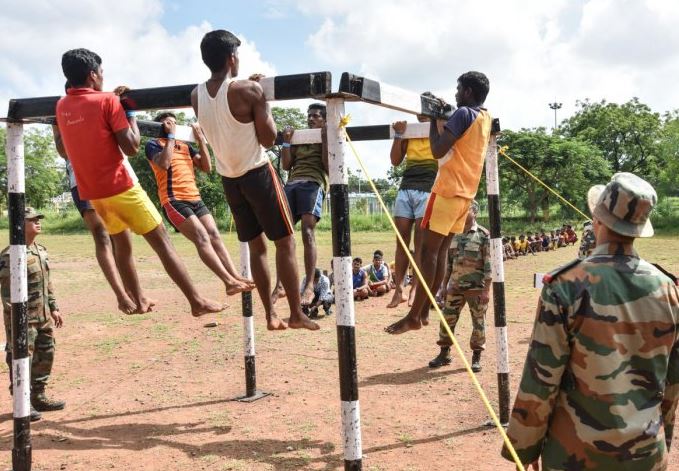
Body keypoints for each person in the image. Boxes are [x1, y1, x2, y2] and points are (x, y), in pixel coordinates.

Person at [501, 173, 679, 470]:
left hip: (574, 454)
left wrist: (525, 449)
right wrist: (662, 439)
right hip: (645, 453)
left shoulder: (565, 285)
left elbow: (542, 378)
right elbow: (672, 384)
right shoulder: (668, 289)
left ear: (597, 220)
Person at [55, 48, 223, 317]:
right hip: (121, 187)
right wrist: (130, 110)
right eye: (101, 73)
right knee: (163, 243)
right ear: (92, 75)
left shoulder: (62, 106)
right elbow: (131, 146)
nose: (102, 77)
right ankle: (196, 301)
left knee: (122, 244)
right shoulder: (107, 101)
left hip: (94, 194)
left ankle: (138, 299)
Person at [191, 29, 318, 331]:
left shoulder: (195, 95)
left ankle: (270, 315)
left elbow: (223, 113)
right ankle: (296, 314)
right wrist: (263, 99)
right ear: (232, 58)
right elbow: (269, 137)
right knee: (285, 242)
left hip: (229, 179)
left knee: (257, 248)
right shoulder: (248, 90)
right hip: (257, 173)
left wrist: (249, 87)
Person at [386, 71, 492, 335]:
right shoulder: (485, 116)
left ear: (467, 92)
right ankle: (422, 312)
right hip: (465, 193)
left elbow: (437, 150)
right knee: (441, 251)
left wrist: (434, 121)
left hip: (446, 189)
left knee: (426, 253)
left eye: (458, 89)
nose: (456, 94)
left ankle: (414, 315)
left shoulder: (464, 113)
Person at [144, 112, 254, 295]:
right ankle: (228, 282)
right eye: (167, 123)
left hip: (195, 198)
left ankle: (235, 276)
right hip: (174, 200)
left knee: (214, 235)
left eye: (174, 123)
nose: (172, 125)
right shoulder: (153, 144)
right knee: (202, 238)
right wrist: (170, 136)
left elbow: (206, 167)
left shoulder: (185, 146)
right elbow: (163, 164)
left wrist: (201, 141)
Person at [53, 121, 154, 315]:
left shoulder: (106, 105)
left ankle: (136, 294)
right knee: (101, 234)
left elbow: (131, 143)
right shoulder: (64, 110)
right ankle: (122, 296)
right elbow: (62, 150)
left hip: (112, 176)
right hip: (82, 177)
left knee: (122, 237)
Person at [0, 208, 66, 422]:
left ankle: (38, 396)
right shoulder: (10, 255)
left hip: (44, 315)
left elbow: (48, 284)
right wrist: (16, 319)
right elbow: (7, 292)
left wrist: (54, 307)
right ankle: (23, 401)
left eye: (39, 219)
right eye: (32, 220)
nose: (38, 222)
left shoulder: (40, 251)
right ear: (20, 224)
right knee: (21, 358)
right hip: (23, 319)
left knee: (46, 354)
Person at [271, 103, 329, 306]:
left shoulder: (326, 135)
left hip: (313, 183)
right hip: (293, 183)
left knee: (307, 230)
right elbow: (287, 165)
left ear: (324, 119)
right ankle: (280, 285)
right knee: (281, 232)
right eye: (309, 115)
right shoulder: (299, 136)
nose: (311, 119)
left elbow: (328, 166)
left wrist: (324, 140)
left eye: (315, 116)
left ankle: (310, 286)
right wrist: (287, 142)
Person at [428, 201, 491, 372]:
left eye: (467, 208)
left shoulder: (483, 235)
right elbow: (448, 264)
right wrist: (443, 286)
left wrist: (486, 290)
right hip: (454, 288)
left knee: (478, 323)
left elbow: (489, 265)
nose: (462, 211)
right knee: (447, 320)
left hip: (476, 289)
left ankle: (476, 356)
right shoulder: (454, 234)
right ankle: (444, 353)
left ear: (475, 212)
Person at [386, 115, 438, 308]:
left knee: (420, 243)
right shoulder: (409, 130)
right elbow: (395, 160)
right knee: (401, 241)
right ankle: (399, 288)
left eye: (428, 109)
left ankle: (415, 288)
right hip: (406, 188)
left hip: (427, 189)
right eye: (420, 110)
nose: (423, 114)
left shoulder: (438, 129)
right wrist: (399, 135)